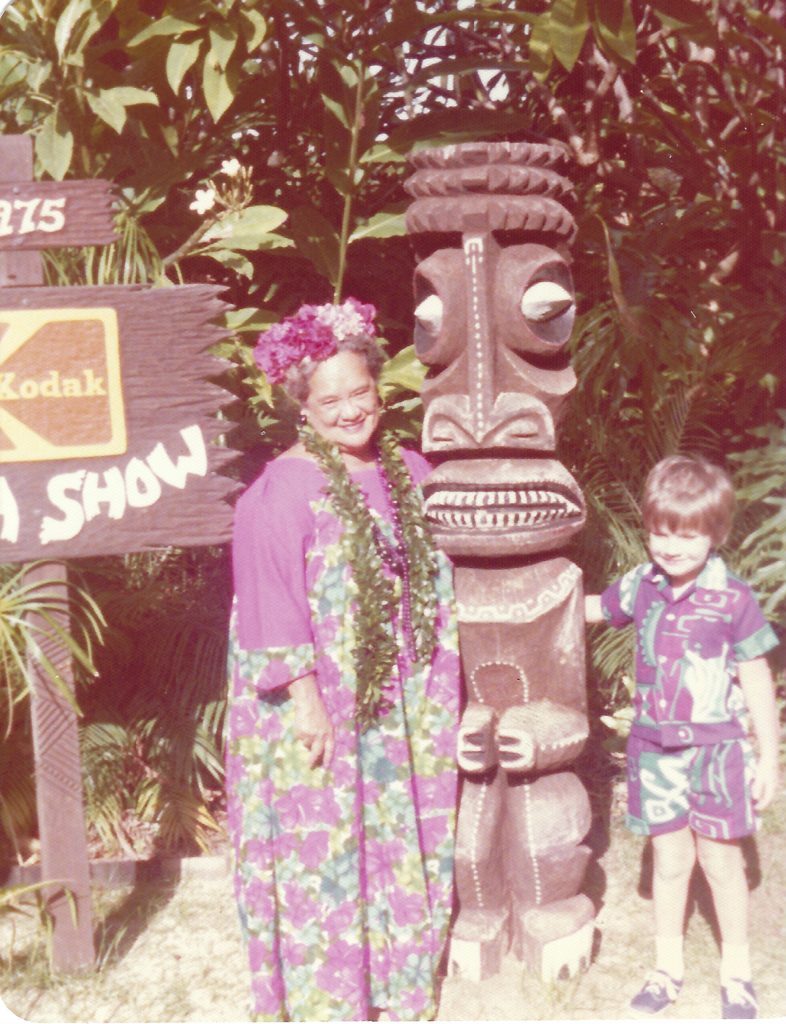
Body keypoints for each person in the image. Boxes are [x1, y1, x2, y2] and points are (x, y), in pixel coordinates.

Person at [224, 297, 461, 1022]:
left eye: (361, 391)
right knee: (326, 840)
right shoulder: (279, 493)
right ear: (303, 406)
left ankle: (399, 981)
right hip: (320, 699)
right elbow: (269, 603)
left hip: (405, 701)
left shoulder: (412, 470)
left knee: (402, 830)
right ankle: (333, 998)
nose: (351, 410)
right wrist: (304, 698)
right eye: (330, 399)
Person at [585, 454, 780, 1020]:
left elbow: (756, 676)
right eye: (659, 532)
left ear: (715, 535)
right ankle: (666, 969)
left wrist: (768, 757)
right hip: (654, 752)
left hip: (718, 753)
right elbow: (598, 608)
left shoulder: (734, 599)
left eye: (688, 536)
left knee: (722, 864)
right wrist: (537, 603)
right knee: (670, 862)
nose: (670, 547)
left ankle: (737, 976)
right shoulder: (640, 585)